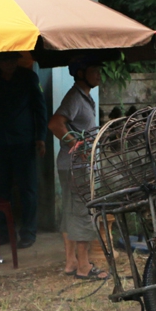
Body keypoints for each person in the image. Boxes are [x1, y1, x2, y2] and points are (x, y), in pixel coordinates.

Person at [0, 52, 48, 249]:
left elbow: (40, 108)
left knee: (28, 188)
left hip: (24, 142)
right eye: (4, 61)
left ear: (17, 61)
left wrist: (40, 137)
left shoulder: (28, 77)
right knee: (0, 190)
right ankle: (2, 233)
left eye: (11, 61)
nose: (8, 65)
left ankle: (28, 233)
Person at [48, 55, 107, 279]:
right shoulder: (74, 97)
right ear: (81, 73)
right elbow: (55, 123)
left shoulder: (84, 97)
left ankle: (71, 262)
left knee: (71, 212)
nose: (99, 75)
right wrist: (76, 145)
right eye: (95, 70)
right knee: (82, 212)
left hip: (72, 165)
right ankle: (84, 266)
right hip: (76, 166)